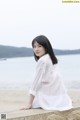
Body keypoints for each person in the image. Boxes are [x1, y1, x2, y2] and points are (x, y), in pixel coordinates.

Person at [22, 35, 72, 111]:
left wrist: (29, 103)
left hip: (47, 98)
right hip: (56, 97)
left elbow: (35, 83)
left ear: (46, 47)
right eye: (34, 46)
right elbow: (58, 79)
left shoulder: (42, 60)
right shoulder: (50, 58)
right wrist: (64, 97)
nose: (36, 49)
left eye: (39, 46)